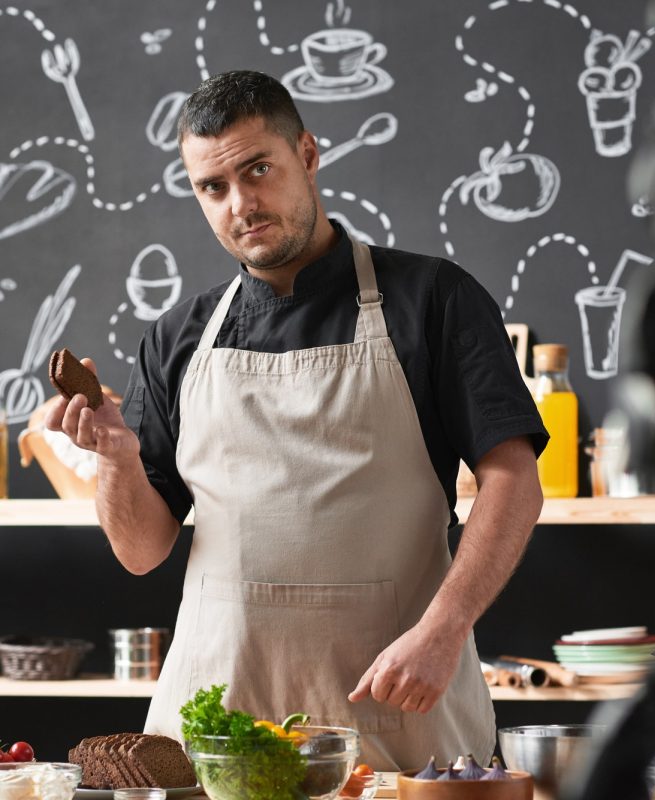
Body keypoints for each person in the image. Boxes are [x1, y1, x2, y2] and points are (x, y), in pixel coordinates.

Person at [46, 70, 547, 771]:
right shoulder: (176, 337)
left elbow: (514, 480)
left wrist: (445, 630)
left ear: (308, 156)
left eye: (258, 170)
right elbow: (141, 549)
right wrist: (117, 460)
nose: (240, 204)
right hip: (214, 732)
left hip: (393, 715)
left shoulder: (433, 299)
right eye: (212, 188)